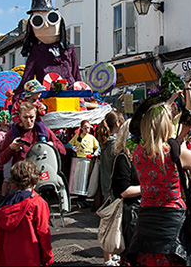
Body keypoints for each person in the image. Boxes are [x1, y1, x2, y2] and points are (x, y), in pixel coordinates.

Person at [127, 102, 191, 266]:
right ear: (166, 125)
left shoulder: (138, 152)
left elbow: (167, 148)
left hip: (147, 218)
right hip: (172, 219)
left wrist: (182, 133)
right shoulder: (172, 152)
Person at [15, 0, 81, 96]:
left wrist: (83, 93)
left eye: (52, 18)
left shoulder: (68, 49)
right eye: (38, 21)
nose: (46, 25)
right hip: (47, 99)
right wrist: (20, 96)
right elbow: (27, 79)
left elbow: (76, 75)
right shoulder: (36, 51)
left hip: (71, 97)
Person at [0, 159, 54, 266]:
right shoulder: (38, 203)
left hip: (7, 256)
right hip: (30, 256)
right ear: (34, 180)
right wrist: (48, 258)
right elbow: (43, 233)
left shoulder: (5, 203)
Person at [0, 102, 65, 168]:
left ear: (36, 115)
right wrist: (11, 148)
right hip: (22, 173)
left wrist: (51, 145)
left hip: (41, 172)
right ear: (19, 116)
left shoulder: (44, 131)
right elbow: (1, 160)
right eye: (25, 117)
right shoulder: (13, 133)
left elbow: (63, 151)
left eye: (31, 117)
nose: (28, 121)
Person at [111, 119, 141, 267]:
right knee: (131, 255)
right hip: (130, 215)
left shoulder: (140, 156)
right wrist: (149, 187)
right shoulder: (122, 158)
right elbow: (124, 191)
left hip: (141, 211)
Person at [96, 111, 124, 266]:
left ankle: (110, 256)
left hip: (107, 186)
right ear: (118, 124)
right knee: (110, 223)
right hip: (113, 188)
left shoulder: (107, 142)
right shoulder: (114, 144)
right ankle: (108, 258)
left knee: (110, 221)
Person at [68, 120, 99, 209]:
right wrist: (72, 147)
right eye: (85, 128)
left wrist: (96, 152)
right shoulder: (77, 137)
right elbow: (68, 144)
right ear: (81, 128)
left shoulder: (91, 138)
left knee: (86, 180)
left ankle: (84, 199)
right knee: (79, 181)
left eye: (88, 128)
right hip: (79, 160)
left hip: (88, 160)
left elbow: (98, 146)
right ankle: (80, 199)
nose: (86, 129)